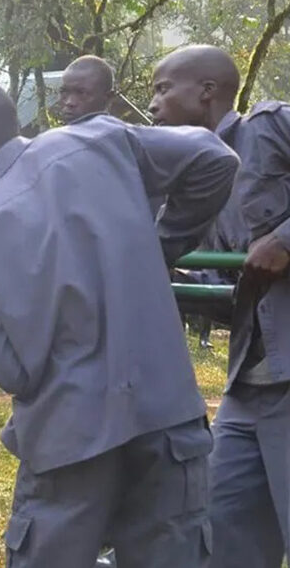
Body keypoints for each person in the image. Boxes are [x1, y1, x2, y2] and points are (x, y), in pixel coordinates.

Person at [0, 80, 237, 567]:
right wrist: (159, 243)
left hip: (68, 436)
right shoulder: (98, 138)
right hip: (167, 420)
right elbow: (215, 158)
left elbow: (10, 371)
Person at [149, 45, 290, 567]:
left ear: (207, 91)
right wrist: (176, 279)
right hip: (248, 383)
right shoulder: (200, 179)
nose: (155, 105)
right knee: (225, 536)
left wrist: (285, 238)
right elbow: (231, 284)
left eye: (164, 90)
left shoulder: (269, 128)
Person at [58, 55, 117, 124]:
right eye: (64, 92)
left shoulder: (125, 133)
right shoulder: (55, 134)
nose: (69, 102)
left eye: (81, 93)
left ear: (108, 98)